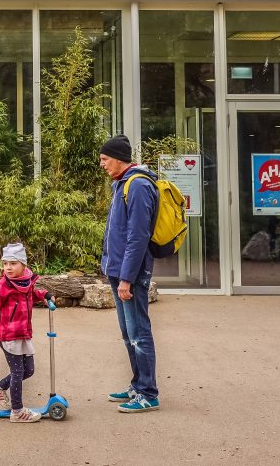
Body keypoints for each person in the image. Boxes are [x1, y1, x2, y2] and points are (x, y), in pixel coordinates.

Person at [99, 134, 161, 413]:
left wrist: (126, 278)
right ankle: (137, 385)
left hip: (131, 273)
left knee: (139, 331)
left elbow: (138, 236)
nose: (102, 165)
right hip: (118, 269)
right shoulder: (122, 184)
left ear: (119, 159)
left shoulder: (137, 186)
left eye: (104, 159)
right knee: (128, 332)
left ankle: (149, 393)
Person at [0, 243, 52, 423]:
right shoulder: (2, 287)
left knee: (28, 370)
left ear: (23, 265)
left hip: (24, 334)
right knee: (18, 372)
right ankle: (17, 411)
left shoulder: (26, 282)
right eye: (5, 264)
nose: (8, 268)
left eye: (13, 263)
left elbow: (32, 294)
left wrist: (44, 295)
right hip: (9, 336)